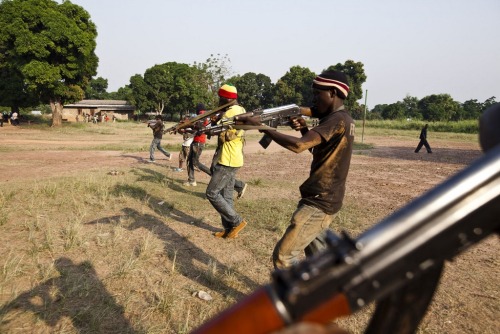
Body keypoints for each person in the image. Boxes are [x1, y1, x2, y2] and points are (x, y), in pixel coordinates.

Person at [239, 70, 354, 269]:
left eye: (318, 93)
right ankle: (325, 295)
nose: (314, 99)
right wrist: (303, 128)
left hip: (320, 201)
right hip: (324, 197)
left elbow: (299, 146)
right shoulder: (342, 119)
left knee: (283, 256)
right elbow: (319, 150)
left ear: (333, 93)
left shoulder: (337, 120)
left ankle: (299, 297)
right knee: (319, 261)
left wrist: (265, 127)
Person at [206, 84, 248, 239]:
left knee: (212, 192)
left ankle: (236, 221)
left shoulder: (230, 112)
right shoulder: (240, 109)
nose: (219, 100)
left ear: (226, 98)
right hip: (235, 157)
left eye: (220, 98)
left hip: (227, 159)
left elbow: (222, 134)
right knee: (227, 195)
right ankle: (230, 229)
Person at [183, 103, 212, 186]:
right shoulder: (203, 116)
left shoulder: (201, 116)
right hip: (197, 141)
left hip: (198, 141)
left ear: (198, 109)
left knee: (195, 162)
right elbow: (197, 129)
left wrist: (187, 129)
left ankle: (213, 176)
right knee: (190, 161)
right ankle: (191, 180)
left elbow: (199, 131)